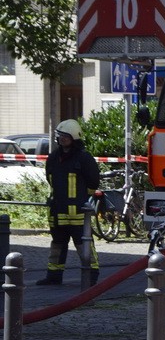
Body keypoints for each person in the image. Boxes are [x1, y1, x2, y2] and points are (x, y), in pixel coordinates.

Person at [36, 119, 100, 287]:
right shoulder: (53, 158)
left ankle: (91, 275)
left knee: (83, 244)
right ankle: (54, 276)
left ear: (74, 137)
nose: (62, 139)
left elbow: (93, 183)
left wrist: (80, 200)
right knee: (57, 244)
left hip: (77, 213)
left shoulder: (84, 158)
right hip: (57, 211)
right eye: (60, 136)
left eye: (66, 136)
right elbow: (50, 180)